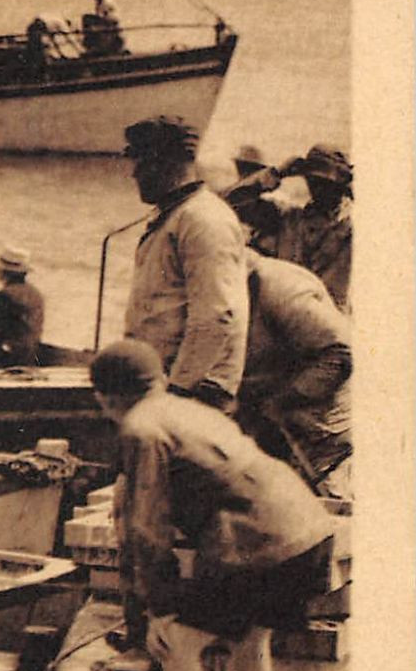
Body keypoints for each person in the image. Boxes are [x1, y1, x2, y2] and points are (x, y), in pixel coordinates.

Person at [87, 341, 335, 671]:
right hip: (308, 528)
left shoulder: (141, 428)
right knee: (251, 640)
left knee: (179, 645)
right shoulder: (188, 409)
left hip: (258, 541)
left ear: (105, 397)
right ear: (157, 380)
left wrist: (158, 607)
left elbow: (147, 527)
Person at [120, 115, 249, 416]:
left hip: (195, 392)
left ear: (163, 163)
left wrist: (178, 391)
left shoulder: (203, 220)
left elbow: (217, 315)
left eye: (139, 162)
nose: (134, 173)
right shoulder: (177, 216)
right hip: (167, 385)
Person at [239, 252, 352, 499]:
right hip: (276, 436)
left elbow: (339, 356)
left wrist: (280, 400)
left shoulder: (282, 286)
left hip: (323, 442)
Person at [240, 145, 353, 314]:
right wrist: (275, 174)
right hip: (282, 318)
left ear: (341, 187)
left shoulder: (349, 232)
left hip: (327, 324)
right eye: (313, 181)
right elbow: (232, 204)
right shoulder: (287, 218)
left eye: (328, 184)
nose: (319, 189)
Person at [0, 246, 45, 369]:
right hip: (29, 358)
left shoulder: (4, 296)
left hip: (5, 361)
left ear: (3, 272)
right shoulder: (36, 294)